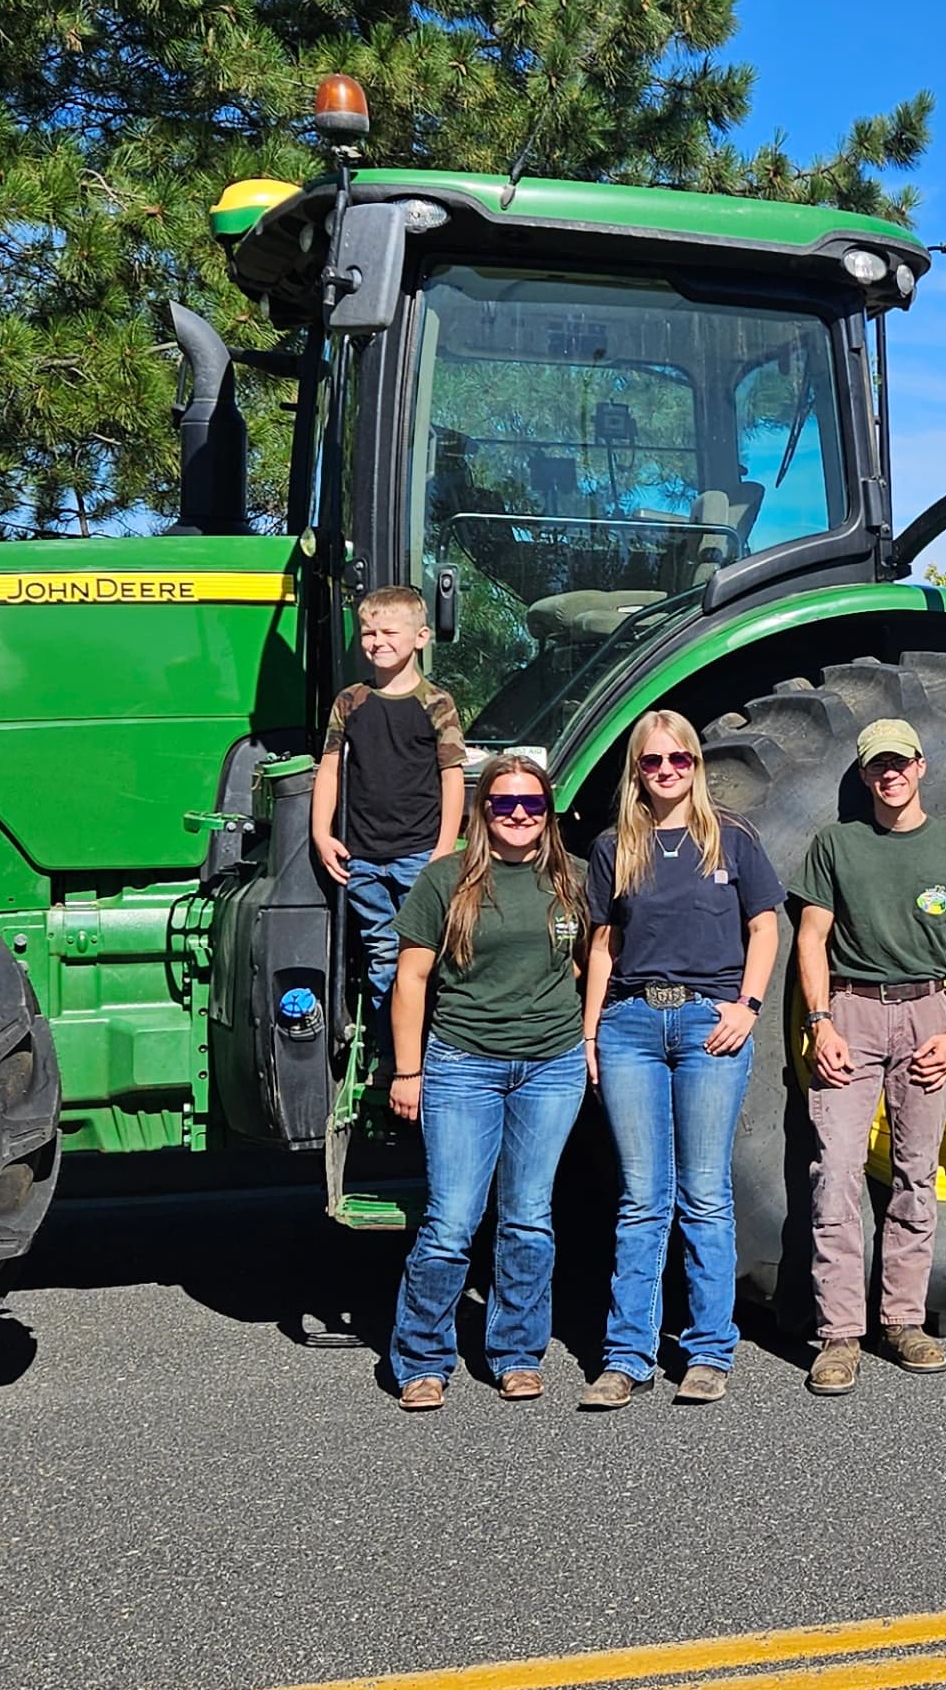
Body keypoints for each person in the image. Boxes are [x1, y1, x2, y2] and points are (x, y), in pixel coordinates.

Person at [584, 710, 785, 1408]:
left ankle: (707, 1352)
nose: (666, 772)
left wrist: (747, 1007)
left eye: (678, 760)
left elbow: (765, 926)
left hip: (709, 1026)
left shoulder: (732, 839)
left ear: (695, 766)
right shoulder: (617, 846)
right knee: (642, 1199)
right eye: (652, 762)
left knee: (705, 1195)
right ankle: (627, 1356)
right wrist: (591, 1034)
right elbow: (604, 947)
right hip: (631, 1027)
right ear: (635, 771)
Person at [790, 718, 946, 1393]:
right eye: (878, 765)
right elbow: (811, 939)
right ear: (866, 773)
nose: (891, 775)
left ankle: (903, 1322)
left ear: (921, 765)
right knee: (838, 1174)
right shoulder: (836, 846)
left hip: (926, 1018)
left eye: (900, 763)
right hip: (850, 1011)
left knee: (916, 1174)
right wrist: (821, 1023)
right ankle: (840, 1335)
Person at [379, 754, 589, 1410]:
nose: (520, 815)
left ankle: (518, 1352)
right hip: (462, 1065)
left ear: (548, 812)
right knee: (452, 1220)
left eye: (532, 804)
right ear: (484, 811)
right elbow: (410, 979)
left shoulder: (573, 879)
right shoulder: (445, 881)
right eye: (504, 804)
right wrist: (407, 1070)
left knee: (529, 1218)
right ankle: (421, 1358)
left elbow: (590, 964)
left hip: (551, 1067)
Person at [313, 586, 465, 1020]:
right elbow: (329, 769)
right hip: (361, 855)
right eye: (368, 632)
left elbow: (451, 777)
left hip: (419, 853)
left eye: (388, 632)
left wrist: (443, 849)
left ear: (420, 637)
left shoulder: (436, 703)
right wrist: (322, 834)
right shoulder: (350, 701)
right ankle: (389, 1051)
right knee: (382, 952)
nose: (377, 641)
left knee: (427, 952)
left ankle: (429, 1048)